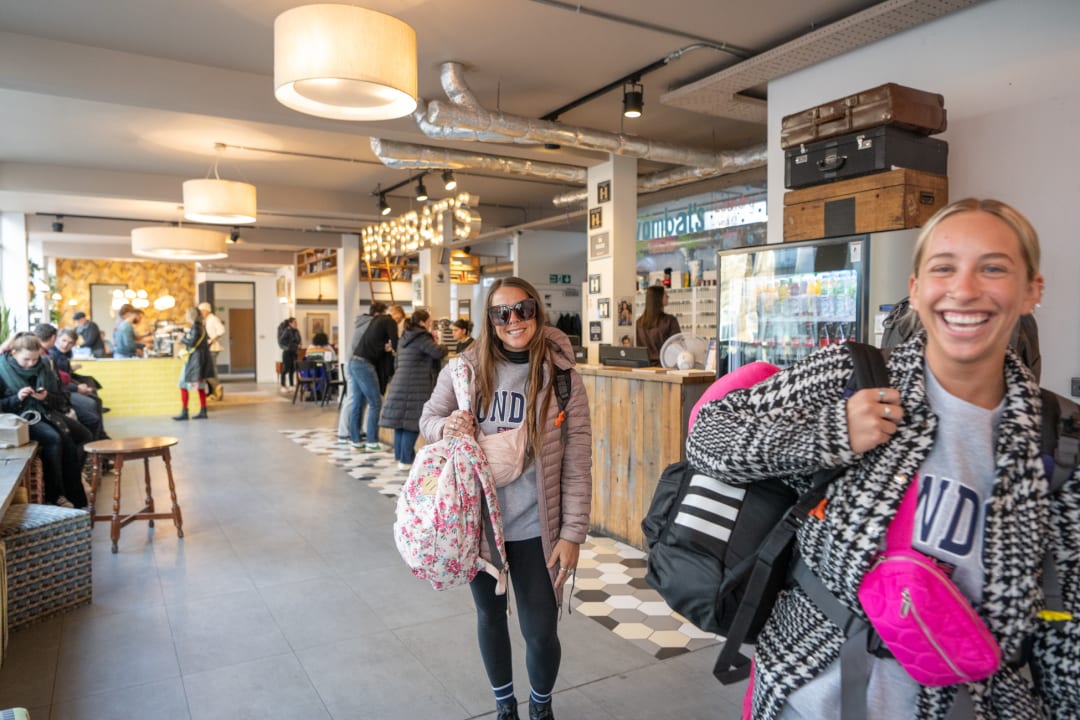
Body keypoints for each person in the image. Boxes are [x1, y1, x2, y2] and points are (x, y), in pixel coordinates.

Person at [686, 198, 1077, 719]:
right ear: (915, 288)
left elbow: (1064, 628)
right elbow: (708, 435)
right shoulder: (856, 376)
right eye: (944, 267)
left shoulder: (1059, 440)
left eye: (994, 268)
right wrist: (830, 433)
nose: (964, 288)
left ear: (1032, 290)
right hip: (803, 697)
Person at [419, 277, 592, 720]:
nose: (514, 320)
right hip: (479, 525)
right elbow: (429, 418)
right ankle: (504, 705)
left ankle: (540, 706)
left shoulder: (563, 377)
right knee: (490, 617)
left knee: (540, 630)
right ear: (490, 320)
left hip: (538, 526)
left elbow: (577, 460)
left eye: (523, 309)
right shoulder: (465, 369)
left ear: (537, 311)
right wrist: (448, 427)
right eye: (502, 313)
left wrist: (572, 533)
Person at [0, 332, 90, 508]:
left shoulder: (45, 367)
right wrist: (17, 398)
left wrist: (46, 397)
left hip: (46, 412)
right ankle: (55, 494)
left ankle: (71, 481)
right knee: (54, 439)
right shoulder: (2, 371)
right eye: (26, 359)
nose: (31, 363)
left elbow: (62, 399)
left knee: (84, 436)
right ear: (14, 353)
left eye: (35, 359)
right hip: (19, 418)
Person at [379, 309, 447, 470]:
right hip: (416, 385)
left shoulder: (404, 337)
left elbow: (397, 363)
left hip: (399, 383)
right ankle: (406, 460)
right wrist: (443, 346)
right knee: (412, 422)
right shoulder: (422, 337)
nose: (430, 324)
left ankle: (401, 457)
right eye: (429, 321)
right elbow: (437, 353)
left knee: (400, 423)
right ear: (423, 322)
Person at [35, 324, 106, 440]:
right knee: (92, 403)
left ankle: (100, 436)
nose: (65, 345)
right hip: (59, 393)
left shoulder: (53, 354)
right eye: (63, 340)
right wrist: (77, 387)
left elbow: (61, 376)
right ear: (55, 338)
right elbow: (61, 379)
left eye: (70, 343)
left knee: (92, 392)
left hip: (60, 391)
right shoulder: (48, 355)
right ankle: (97, 440)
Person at [349, 303, 397, 451]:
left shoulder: (373, 321)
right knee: (375, 403)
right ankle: (371, 441)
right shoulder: (389, 321)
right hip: (365, 365)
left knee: (358, 402)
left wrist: (384, 347)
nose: (399, 322)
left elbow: (373, 343)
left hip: (354, 362)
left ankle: (355, 440)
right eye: (399, 318)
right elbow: (396, 343)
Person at [173, 306, 213, 420]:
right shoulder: (201, 326)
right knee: (200, 386)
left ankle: (185, 412)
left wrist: (182, 338)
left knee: (182, 384)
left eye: (186, 313)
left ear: (190, 315)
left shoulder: (195, 327)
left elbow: (192, 343)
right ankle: (203, 410)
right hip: (200, 361)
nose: (185, 315)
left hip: (194, 361)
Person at [636, 285, 681, 365]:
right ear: (658, 298)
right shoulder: (670, 321)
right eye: (665, 295)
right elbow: (678, 345)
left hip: (643, 366)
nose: (668, 297)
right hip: (664, 366)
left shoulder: (639, 322)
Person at [198, 301, 225, 401]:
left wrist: (212, 340)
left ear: (206, 310)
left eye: (201, 311)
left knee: (211, 370)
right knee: (209, 370)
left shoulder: (213, 319)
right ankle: (213, 392)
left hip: (213, 348)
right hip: (208, 348)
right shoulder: (206, 320)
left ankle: (217, 390)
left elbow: (221, 330)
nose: (200, 313)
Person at [277, 317, 301, 391]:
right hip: (287, 352)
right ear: (290, 324)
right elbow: (281, 341)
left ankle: (291, 385)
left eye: (296, 322)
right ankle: (283, 385)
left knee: (292, 369)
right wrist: (287, 347)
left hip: (294, 352)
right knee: (285, 369)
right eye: (294, 322)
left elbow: (299, 339)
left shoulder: (297, 331)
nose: (296, 324)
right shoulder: (287, 331)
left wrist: (299, 344)